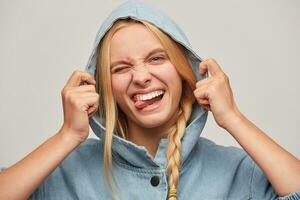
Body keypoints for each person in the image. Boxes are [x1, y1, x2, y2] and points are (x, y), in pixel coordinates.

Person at [0, 1, 300, 199]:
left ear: (185, 72)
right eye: (121, 68)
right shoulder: (64, 171)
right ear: (104, 89)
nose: (141, 77)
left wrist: (234, 118)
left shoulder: (237, 172)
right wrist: (67, 135)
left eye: (157, 58)